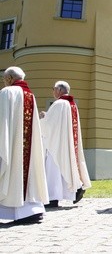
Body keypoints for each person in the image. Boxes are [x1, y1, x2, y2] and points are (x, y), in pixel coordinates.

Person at [0, 66, 48, 224]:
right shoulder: (30, 95)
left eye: (4, 79)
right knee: (29, 172)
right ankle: (30, 210)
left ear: (9, 79)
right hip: (26, 147)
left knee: (12, 170)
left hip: (11, 144)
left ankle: (15, 210)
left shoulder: (7, 92)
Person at [40, 81, 91, 208]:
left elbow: (49, 125)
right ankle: (77, 188)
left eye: (54, 89)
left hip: (57, 144)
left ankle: (52, 198)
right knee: (66, 169)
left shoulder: (58, 104)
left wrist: (42, 118)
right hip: (67, 143)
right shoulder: (71, 104)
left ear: (59, 90)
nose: (53, 91)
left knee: (54, 170)